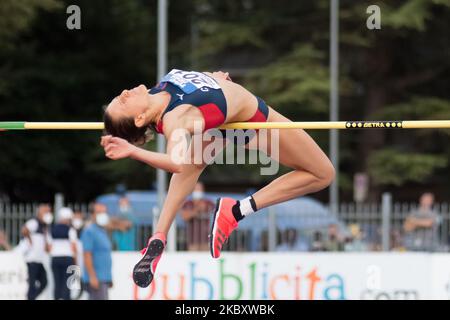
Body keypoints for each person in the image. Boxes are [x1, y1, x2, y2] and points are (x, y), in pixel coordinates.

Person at [100, 68, 335, 288]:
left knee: (194, 165)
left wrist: (214, 78)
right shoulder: (176, 118)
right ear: (139, 118)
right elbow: (175, 163)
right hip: (253, 121)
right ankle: (236, 210)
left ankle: (158, 236)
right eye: (122, 102)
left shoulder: (157, 92)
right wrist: (131, 150)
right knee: (322, 173)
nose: (124, 93)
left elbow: (195, 87)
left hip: (219, 120)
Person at [80, 203, 113, 300]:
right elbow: (87, 255)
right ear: (93, 215)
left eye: (104, 212)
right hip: (96, 278)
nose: (103, 215)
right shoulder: (89, 231)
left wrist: (109, 277)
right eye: (99, 212)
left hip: (104, 278)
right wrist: (92, 277)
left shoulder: (102, 231)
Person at [21, 204, 53, 300]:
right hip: (32, 259)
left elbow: (48, 248)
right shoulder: (34, 222)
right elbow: (24, 230)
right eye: (46, 211)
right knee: (32, 283)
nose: (48, 214)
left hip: (40, 260)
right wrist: (30, 239)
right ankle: (30, 297)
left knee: (44, 282)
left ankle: (31, 297)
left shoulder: (45, 227)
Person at [48, 207, 78, 300]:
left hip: (55, 259)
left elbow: (49, 247)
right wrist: (75, 261)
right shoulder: (71, 230)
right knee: (67, 283)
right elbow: (73, 247)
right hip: (67, 259)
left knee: (57, 283)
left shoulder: (51, 229)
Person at [180, 182, 215, 251]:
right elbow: (184, 216)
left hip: (206, 240)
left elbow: (216, 213)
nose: (198, 191)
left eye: (199, 189)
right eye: (196, 189)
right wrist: (196, 210)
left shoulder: (208, 203)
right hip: (192, 240)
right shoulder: (188, 203)